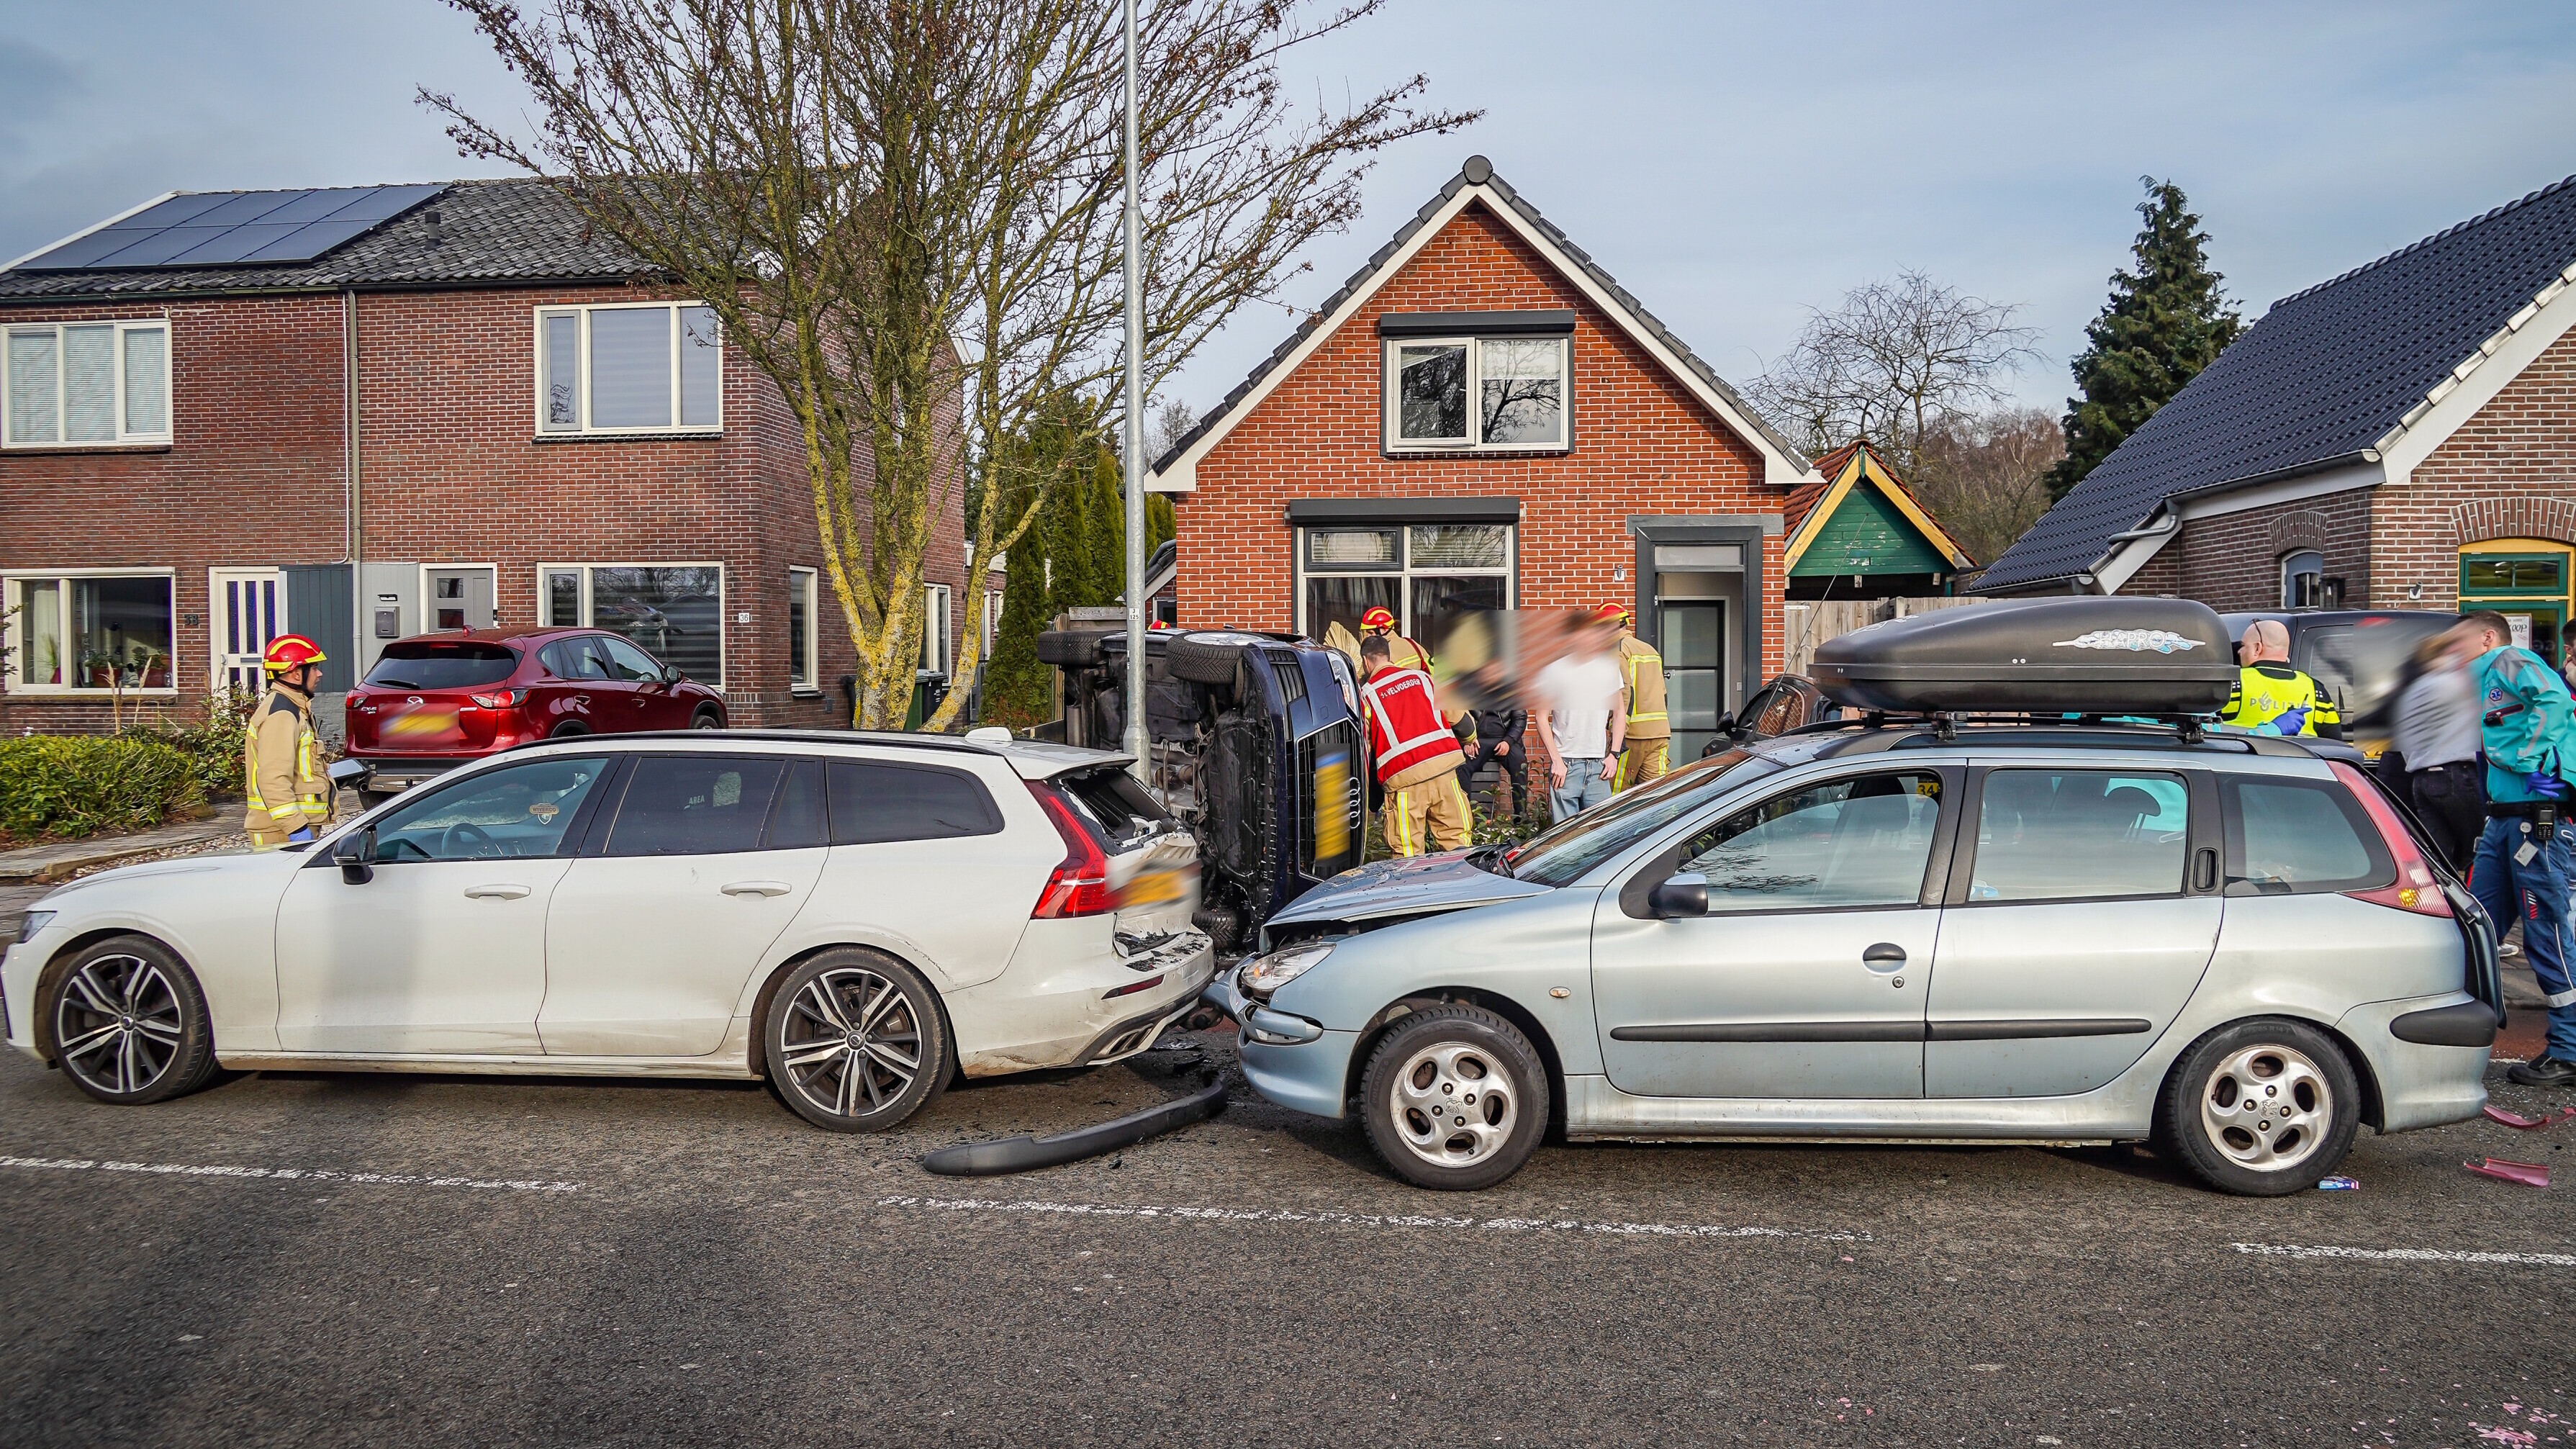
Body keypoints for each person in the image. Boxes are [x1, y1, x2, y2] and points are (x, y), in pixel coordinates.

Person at [2457, 609, 2576, 1088]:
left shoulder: (2508, 658)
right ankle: (2464, 1038)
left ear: (2485, 638)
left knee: (2544, 933)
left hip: (2534, 819)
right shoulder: (2482, 676)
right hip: (2507, 820)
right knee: (2476, 925)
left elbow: (2552, 702)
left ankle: (2568, 1049)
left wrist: (2523, 757)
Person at [1358, 633, 1471, 856]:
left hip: (1405, 780)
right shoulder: (1424, 679)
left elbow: (1364, 745)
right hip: (1444, 772)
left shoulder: (1367, 695)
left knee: (1407, 854)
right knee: (1457, 843)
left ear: (1365, 661)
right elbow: (1461, 720)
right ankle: (1461, 886)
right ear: (1388, 656)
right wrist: (1470, 738)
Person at [2390, 630, 2484, 875]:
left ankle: (2443, 907)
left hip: (2422, 780)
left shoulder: (2411, 690)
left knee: (2437, 860)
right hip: (2457, 774)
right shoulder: (2459, 682)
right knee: (2485, 846)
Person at [1535, 610, 1627, 824]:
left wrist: (1614, 754)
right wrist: (1556, 760)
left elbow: (1619, 711)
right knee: (1565, 840)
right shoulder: (1554, 671)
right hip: (1566, 767)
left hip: (1599, 767)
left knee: (1603, 835)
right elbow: (1541, 717)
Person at [244, 633, 333, 851]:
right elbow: (273, 779)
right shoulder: (282, 714)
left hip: (285, 828)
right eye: (314, 668)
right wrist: (296, 829)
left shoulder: (293, 708)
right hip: (280, 833)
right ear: (295, 674)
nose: (319, 674)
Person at [2218, 619, 2343, 739]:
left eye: (2243, 646)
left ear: (2257, 648)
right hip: (2300, 761)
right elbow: (2334, 745)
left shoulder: (2232, 683)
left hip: (2240, 760)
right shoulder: (2316, 691)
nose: (2239, 651)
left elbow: (2204, 733)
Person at [1601, 602, 1671, 793]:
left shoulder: (1618, 651)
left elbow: (1624, 696)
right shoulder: (1651, 650)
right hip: (1660, 734)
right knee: (1657, 796)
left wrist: (1618, 737)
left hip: (1632, 738)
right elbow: (1664, 695)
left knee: (1615, 796)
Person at [1458, 694, 1529, 821]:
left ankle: (1521, 818)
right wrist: (1466, 741)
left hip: (1505, 739)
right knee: (1462, 765)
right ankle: (1466, 819)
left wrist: (1508, 741)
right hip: (1478, 740)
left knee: (1520, 762)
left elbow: (1520, 718)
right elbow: (1459, 716)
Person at [1358, 605, 1432, 674]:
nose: (1367, 637)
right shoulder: (1413, 644)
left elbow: (1362, 680)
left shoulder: (1380, 653)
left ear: (1384, 629)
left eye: (1370, 633)